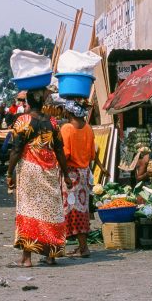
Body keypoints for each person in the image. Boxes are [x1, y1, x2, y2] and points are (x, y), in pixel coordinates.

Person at [7, 88, 71, 267]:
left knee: (28, 209)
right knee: (50, 210)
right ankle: (50, 255)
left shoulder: (23, 121)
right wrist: (66, 175)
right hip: (50, 171)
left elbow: (16, 149)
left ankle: (27, 258)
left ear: (28, 102)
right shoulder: (53, 122)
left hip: (29, 170)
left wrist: (9, 173)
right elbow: (59, 149)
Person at [60, 100, 99, 257]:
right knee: (82, 210)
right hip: (84, 173)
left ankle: (68, 248)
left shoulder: (67, 128)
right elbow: (92, 155)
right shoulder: (88, 128)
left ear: (69, 113)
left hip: (70, 173)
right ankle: (83, 247)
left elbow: (65, 154)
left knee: (67, 209)